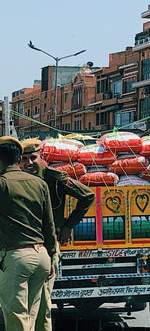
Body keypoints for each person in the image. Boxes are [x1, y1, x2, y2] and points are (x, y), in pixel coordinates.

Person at [19, 138, 95, 331]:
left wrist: (69, 225)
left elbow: (87, 196)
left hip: (48, 245)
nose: (29, 163)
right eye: (24, 159)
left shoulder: (55, 178)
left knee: (43, 301)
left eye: (33, 158)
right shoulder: (17, 179)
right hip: (23, 246)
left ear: (41, 157)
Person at [0, 136, 57, 330]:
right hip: (41, 257)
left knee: (17, 320)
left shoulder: (2, 183)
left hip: (16, 258)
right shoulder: (39, 184)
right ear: (18, 160)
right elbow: (49, 226)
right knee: (30, 320)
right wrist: (51, 258)